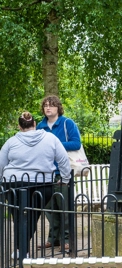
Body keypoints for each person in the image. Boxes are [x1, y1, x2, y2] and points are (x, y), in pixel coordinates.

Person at [0, 111, 71, 253]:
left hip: (13, 183)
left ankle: (21, 250)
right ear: (34, 124)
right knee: (32, 216)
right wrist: (65, 179)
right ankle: (21, 249)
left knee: (18, 216)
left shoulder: (11, 142)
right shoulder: (51, 139)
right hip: (42, 183)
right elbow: (64, 160)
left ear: (19, 127)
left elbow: (1, 163)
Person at [36, 95, 81, 250]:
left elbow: (76, 143)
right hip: (45, 172)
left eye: (52, 105)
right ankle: (53, 238)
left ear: (58, 108)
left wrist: (54, 144)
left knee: (65, 206)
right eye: (46, 105)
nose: (48, 108)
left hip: (63, 171)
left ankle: (67, 239)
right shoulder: (40, 126)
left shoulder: (67, 123)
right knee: (49, 208)